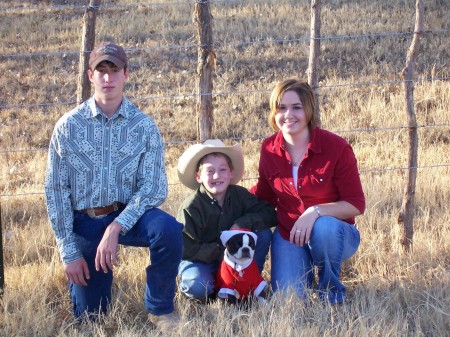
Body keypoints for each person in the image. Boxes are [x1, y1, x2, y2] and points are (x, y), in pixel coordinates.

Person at [44, 41, 183, 332]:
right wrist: (68, 252)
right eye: (101, 70)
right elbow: (55, 191)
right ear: (90, 75)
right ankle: (93, 291)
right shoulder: (68, 127)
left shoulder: (144, 126)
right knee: (92, 318)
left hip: (129, 215)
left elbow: (154, 187)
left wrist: (117, 226)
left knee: (168, 229)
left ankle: (160, 308)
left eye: (114, 70)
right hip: (85, 219)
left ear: (126, 75)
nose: (108, 78)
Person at [250, 79, 365, 305]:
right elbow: (264, 194)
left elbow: (356, 204)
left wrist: (315, 212)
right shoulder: (268, 149)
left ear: (309, 110)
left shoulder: (336, 147)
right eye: (281, 108)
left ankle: (330, 292)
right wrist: (227, 196)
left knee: (324, 228)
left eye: (296, 107)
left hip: (334, 234)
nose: (288, 115)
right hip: (289, 234)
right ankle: (304, 272)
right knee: (288, 300)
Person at [176, 139, 277, 302]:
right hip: (202, 261)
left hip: (238, 259)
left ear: (231, 173)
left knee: (263, 233)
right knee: (198, 286)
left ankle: (248, 281)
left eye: (223, 170)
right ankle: (203, 291)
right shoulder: (191, 207)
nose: (217, 176)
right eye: (209, 171)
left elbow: (270, 213)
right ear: (198, 177)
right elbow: (184, 248)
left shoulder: (240, 195)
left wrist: (242, 224)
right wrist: (220, 251)